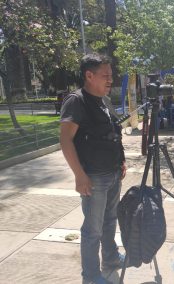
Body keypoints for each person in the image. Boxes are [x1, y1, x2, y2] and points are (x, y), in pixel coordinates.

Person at [60, 53, 127, 284]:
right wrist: (79, 175)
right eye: (105, 75)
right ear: (89, 75)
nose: (110, 80)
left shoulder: (104, 101)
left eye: (111, 75)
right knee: (92, 231)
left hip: (113, 173)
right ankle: (90, 276)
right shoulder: (76, 101)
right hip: (93, 177)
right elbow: (65, 140)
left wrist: (121, 161)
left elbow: (113, 134)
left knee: (110, 222)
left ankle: (110, 258)